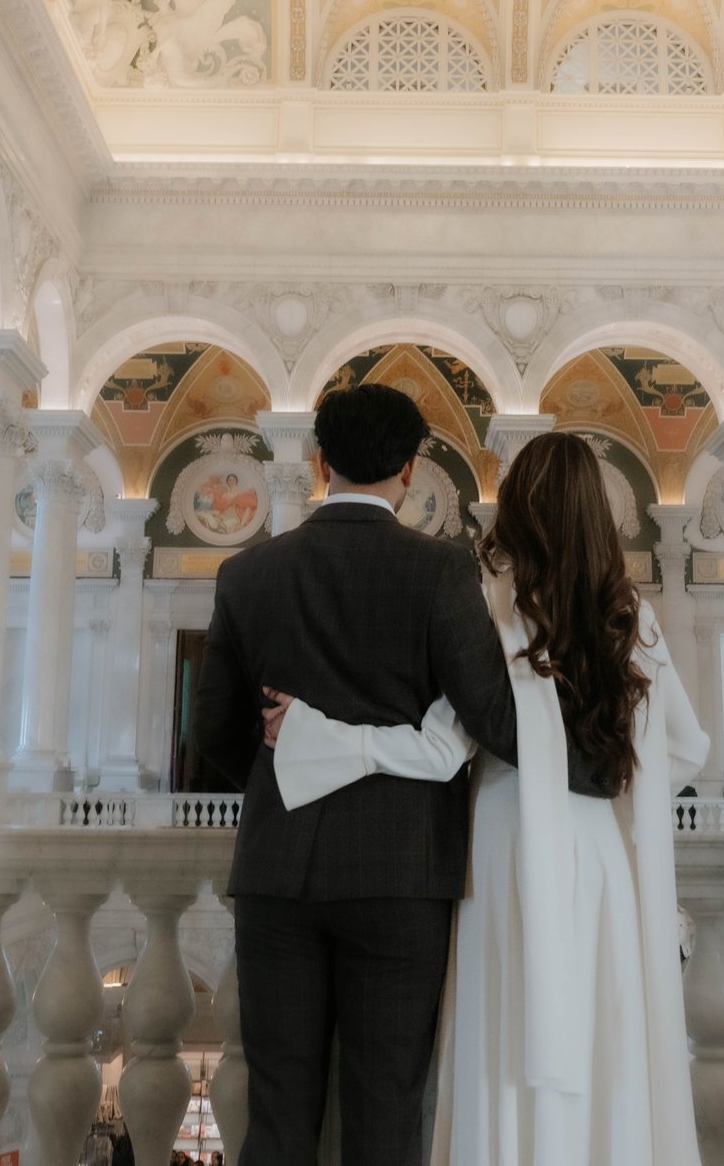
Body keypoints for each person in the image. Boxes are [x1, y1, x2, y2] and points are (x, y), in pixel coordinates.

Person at [266, 431, 709, 1166]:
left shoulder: (488, 600)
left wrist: (315, 735)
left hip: (508, 842)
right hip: (600, 854)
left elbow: (440, 746)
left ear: (518, 505)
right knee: (603, 1045)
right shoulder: (631, 616)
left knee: (506, 1044)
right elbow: (687, 749)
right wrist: (612, 782)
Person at [189, 383, 520, 1166]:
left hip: (277, 870)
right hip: (402, 878)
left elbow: (213, 733)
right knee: (385, 1119)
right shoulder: (441, 571)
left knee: (277, 1117)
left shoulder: (249, 573)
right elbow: (493, 715)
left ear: (319, 460)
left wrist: (291, 771)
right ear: (410, 469)